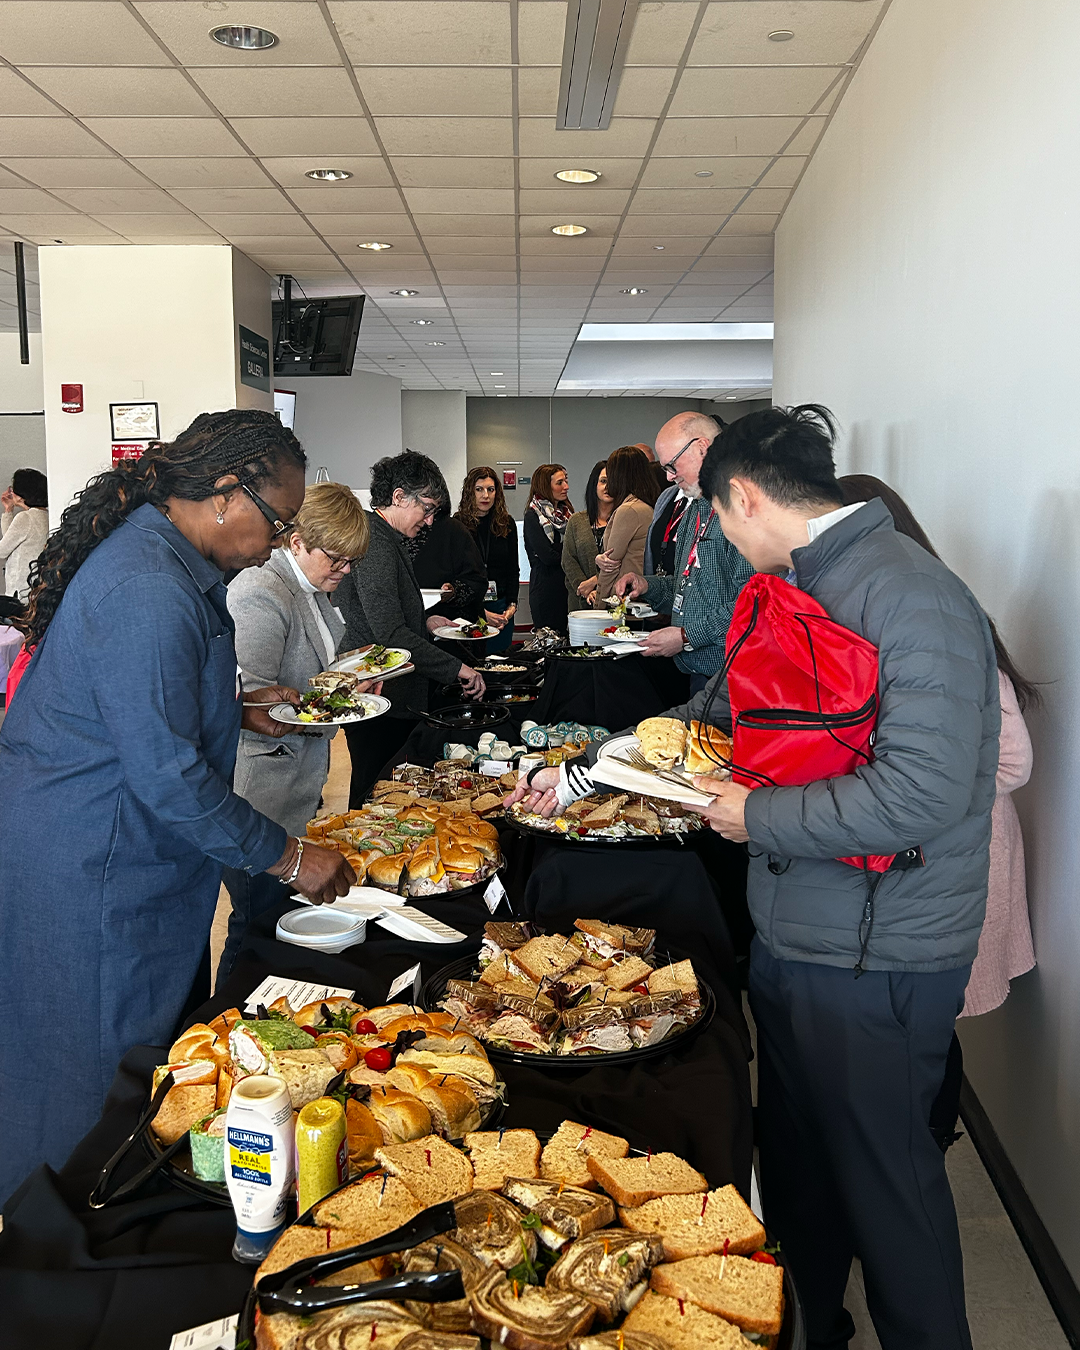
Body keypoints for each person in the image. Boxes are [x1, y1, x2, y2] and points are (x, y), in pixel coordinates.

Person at [514, 405, 999, 1350]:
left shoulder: (911, 594)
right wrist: (590, 768)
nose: (716, 539)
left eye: (713, 515)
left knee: (888, 1188)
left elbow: (925, 791)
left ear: (742, 496)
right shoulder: (796, 584)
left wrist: (757, 817)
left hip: (877, 952)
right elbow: (716, 711)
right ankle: (817, 1328)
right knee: (803, 1169)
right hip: (799, 933)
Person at [0, 409, 356, 1203]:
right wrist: (290, 856)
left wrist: (236, 707)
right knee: (94, 1068)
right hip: (91, 857)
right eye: (277, 522)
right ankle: (65, 1228)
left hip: (119, 841)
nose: (277, 543)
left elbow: (142, 704)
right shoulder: (147, 586)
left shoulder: (168, 562)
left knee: (139, 1053)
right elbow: (168, 776)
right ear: (226, 492)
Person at [838, 473, 1038, 1149]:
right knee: (903, 1025)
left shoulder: (940, 621)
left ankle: (924, 1147)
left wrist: (900, 787)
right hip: (909, 858)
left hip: (955, 858)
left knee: (926, 1028)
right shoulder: (862, 618)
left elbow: (1012, 763)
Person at [222, 481, 379, 982]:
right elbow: (250, 702)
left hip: (297, 782)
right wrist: (333, 703)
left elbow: (310, 673)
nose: (345, 570)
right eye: (337, 558)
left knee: (272, 921)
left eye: (352, 561)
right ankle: (225, 1013)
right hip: (261, 788)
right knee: (254, 925)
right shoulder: (260, 591)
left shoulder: (309, 587)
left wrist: (348, 677)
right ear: (296, 541)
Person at [332, 451, 486, 805]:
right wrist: (456, 668)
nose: (429, 522)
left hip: (389, 693)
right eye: (427, 509)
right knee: (375, 795)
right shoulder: (374, 543)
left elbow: (385, 615)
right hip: (380, 695)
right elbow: (390, 636)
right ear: (399, 497)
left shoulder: (385, 537)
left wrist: (424, 621)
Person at [615, 412, 753, 694]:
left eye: (673, 465)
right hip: (696, 671)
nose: (669, 476)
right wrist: (647, 586)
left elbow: (752, 605)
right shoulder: (695, 509)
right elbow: (688, 588)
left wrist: (686, 636)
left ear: (702, 447)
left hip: (736, 675)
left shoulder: (744, 510)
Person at [455, 467, 520, 651]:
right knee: (473, 660)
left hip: (501, 607)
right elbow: (455, 574)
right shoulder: (458, 524)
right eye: (479, 489)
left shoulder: (506, 523)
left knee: (501, 659)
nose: (486, 495)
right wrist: (479, 612)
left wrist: (512, 605)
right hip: (470, 608)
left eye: (490, 490)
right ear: (470, 492)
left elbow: (512, 568)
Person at [593, 445, 660, 604]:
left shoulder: (629, 510)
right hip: (636, 595)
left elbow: (611, 564)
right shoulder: (646, 505)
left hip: (622, 598)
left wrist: (599, 605)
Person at [522, 463, 573, 632]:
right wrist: (570, 554)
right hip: (546, 589)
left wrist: (559, 549)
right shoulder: (533, 515)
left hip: (567, 586)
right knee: (550, 639)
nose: (566, 487)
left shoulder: (568, 514)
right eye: (559, 483)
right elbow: (547, 557)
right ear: (545, 486)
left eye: (566, 481)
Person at [562, 460, 611, 610]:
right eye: (603, 481)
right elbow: (568, 559)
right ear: (594, 484)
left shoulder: (624, 521)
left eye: (614, 481)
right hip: (580, 602)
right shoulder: (577, 521)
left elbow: (625, 561)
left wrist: (596, 582)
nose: (608, 487)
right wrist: (585, 587)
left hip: (614, 602)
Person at [0, 468, 49, 601]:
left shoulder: (25, 518)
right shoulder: (45, 516)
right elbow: (12, 540)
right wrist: (8, 510)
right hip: (34, 590)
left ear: (21, 495)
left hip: (19, 591)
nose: (11, 492)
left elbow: (2, 551)